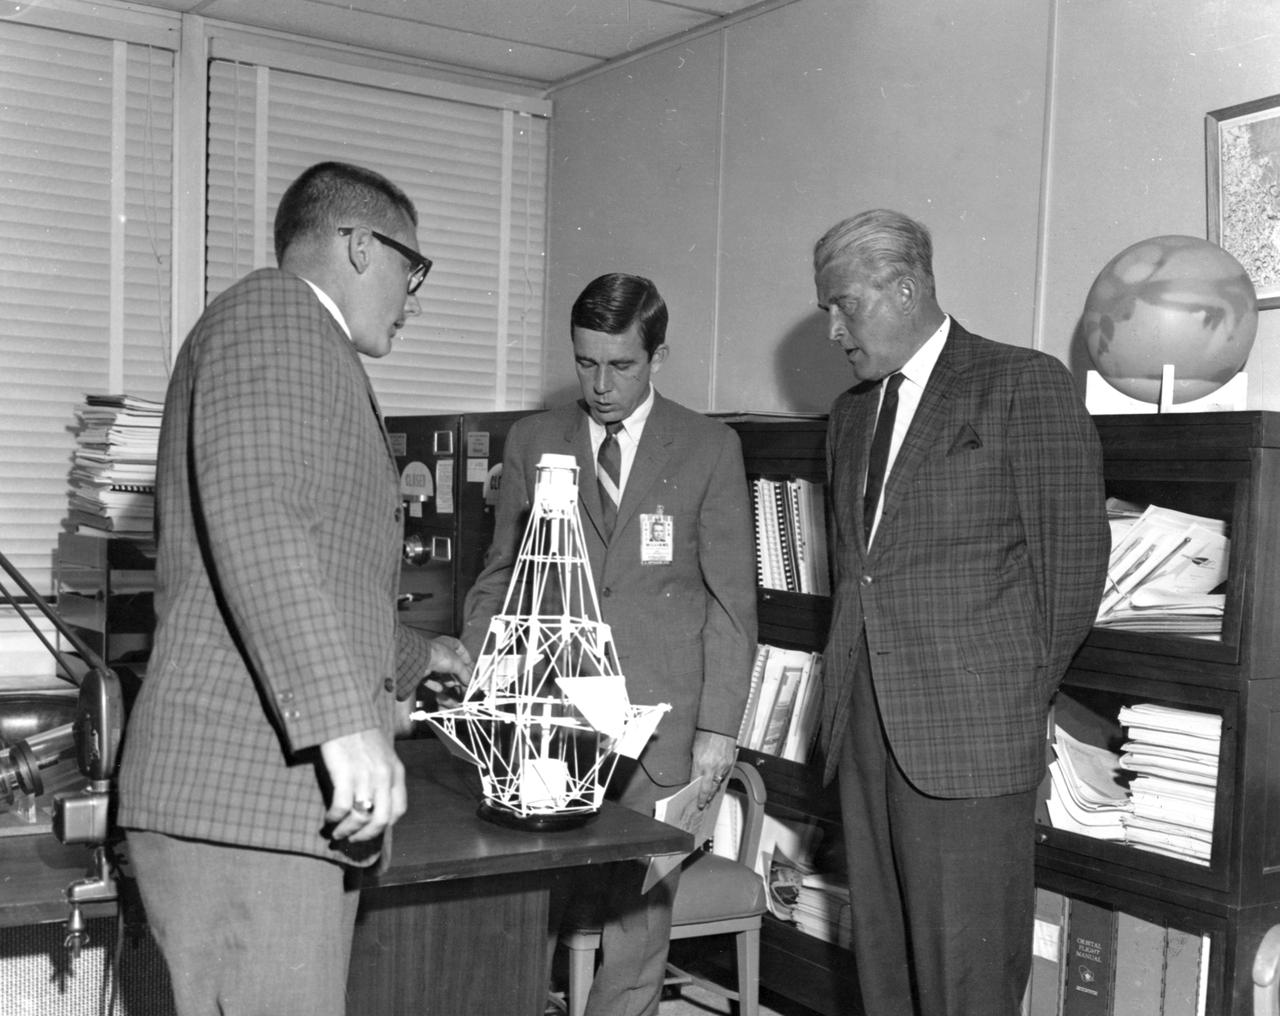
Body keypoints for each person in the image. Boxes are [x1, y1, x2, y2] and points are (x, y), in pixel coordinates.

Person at [117, 161, 471, 1016]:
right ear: (357, 245)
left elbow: (311, 566)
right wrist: (347, 727)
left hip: (265, 811)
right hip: (245, 804)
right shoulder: (275, 313)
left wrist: (427, 654)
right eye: (410, 268)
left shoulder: (303, 345)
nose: (413, 298)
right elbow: (257, 517)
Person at [812, 209, 1108, 1016]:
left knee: (967, 982)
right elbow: (858, 577)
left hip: (972, 736)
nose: (834, 328)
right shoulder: (848, 417)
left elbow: (1073, 570)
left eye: (845, 305)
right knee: (883, 966)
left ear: (905, 289)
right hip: (866, 725)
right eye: (825, 310)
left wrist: (1008, 701)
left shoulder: (1021, 383)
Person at [461, 272, 757, 1016]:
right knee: (521, 917)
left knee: (636, 933)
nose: (600, 385)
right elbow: (502, 577)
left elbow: (732, 603)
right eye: (585, 362)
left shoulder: (710, 447)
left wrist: (718, 730)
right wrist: (481, 676)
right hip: (550, 720)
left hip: (659, 725)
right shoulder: (533, 439)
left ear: (657, 355)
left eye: (620, 365)